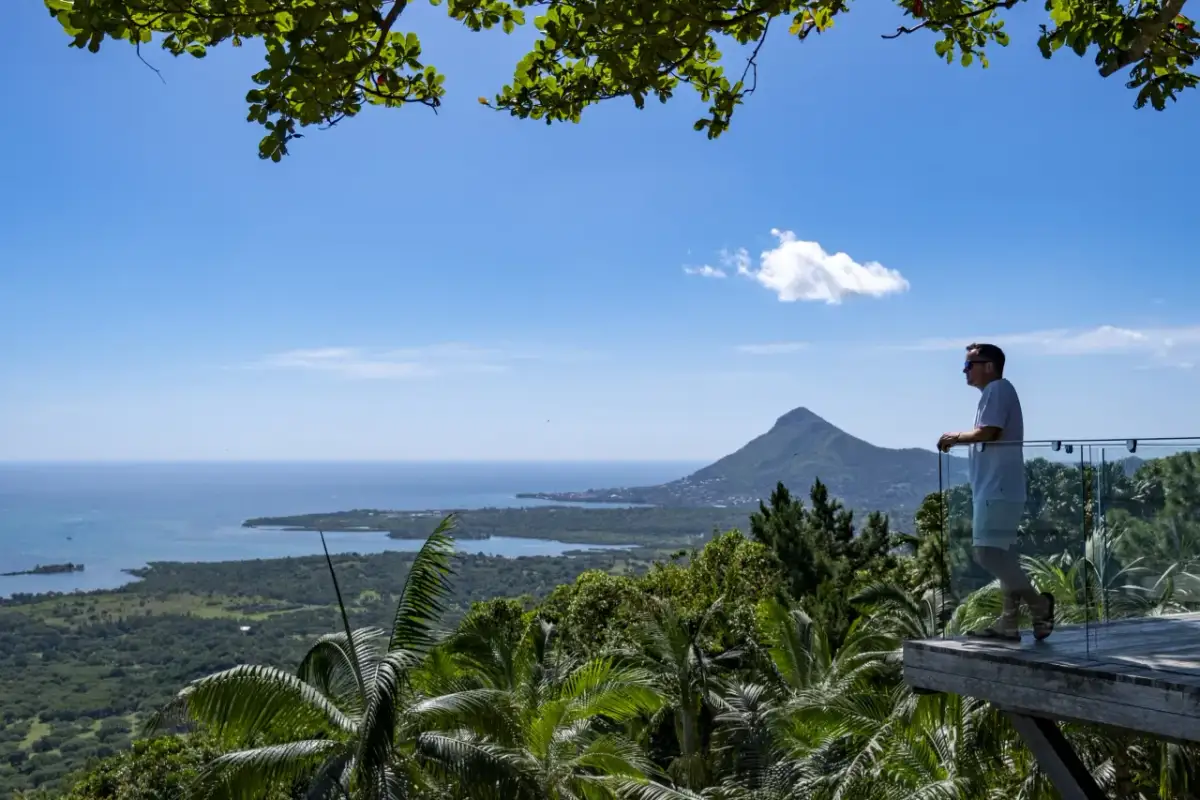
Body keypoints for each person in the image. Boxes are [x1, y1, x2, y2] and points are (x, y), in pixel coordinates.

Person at [937, 342, 1054, 642]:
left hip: (998, 489)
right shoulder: (995, 393)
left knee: (986, 554)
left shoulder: (998, 389)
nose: (964, 371)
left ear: (988, 366)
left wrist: (954, 438)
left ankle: (1039, 605)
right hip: (998, 488)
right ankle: (1009, 624)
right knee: (1002, 555)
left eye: (969, 365)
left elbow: (989, 432)